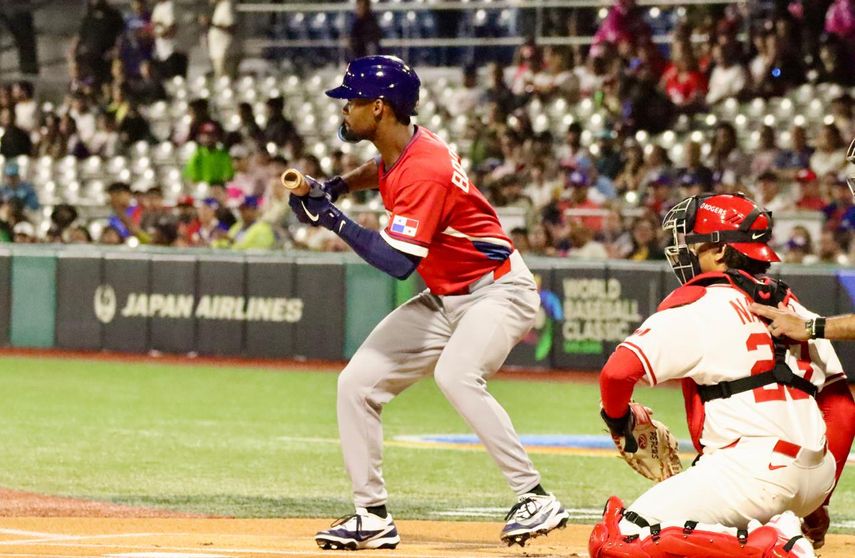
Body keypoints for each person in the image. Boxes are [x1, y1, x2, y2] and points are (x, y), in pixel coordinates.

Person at [289, 56, 569, 551]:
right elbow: (380, 171)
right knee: (356, 384)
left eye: (352, 101)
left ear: (378, 108)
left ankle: (535, 496)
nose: (345, 109)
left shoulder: (425, 168)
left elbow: (397, 262)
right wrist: (331, 187)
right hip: (449, 295)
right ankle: (371, 515)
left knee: (456, 374)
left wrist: (331, 218)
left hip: (497, 289)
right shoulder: (407, 148)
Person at [590, 192, 855, 557]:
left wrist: (619, 421)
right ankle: (780, 531)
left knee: (617, 539)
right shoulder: (795, 308)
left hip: (751, 473)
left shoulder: (701, 302)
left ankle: (777, 547)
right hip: (813, 474)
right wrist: (817, 501)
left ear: (717, 251)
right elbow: (842, 409)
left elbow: (616, 374)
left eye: (694, 245)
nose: (685, 253)